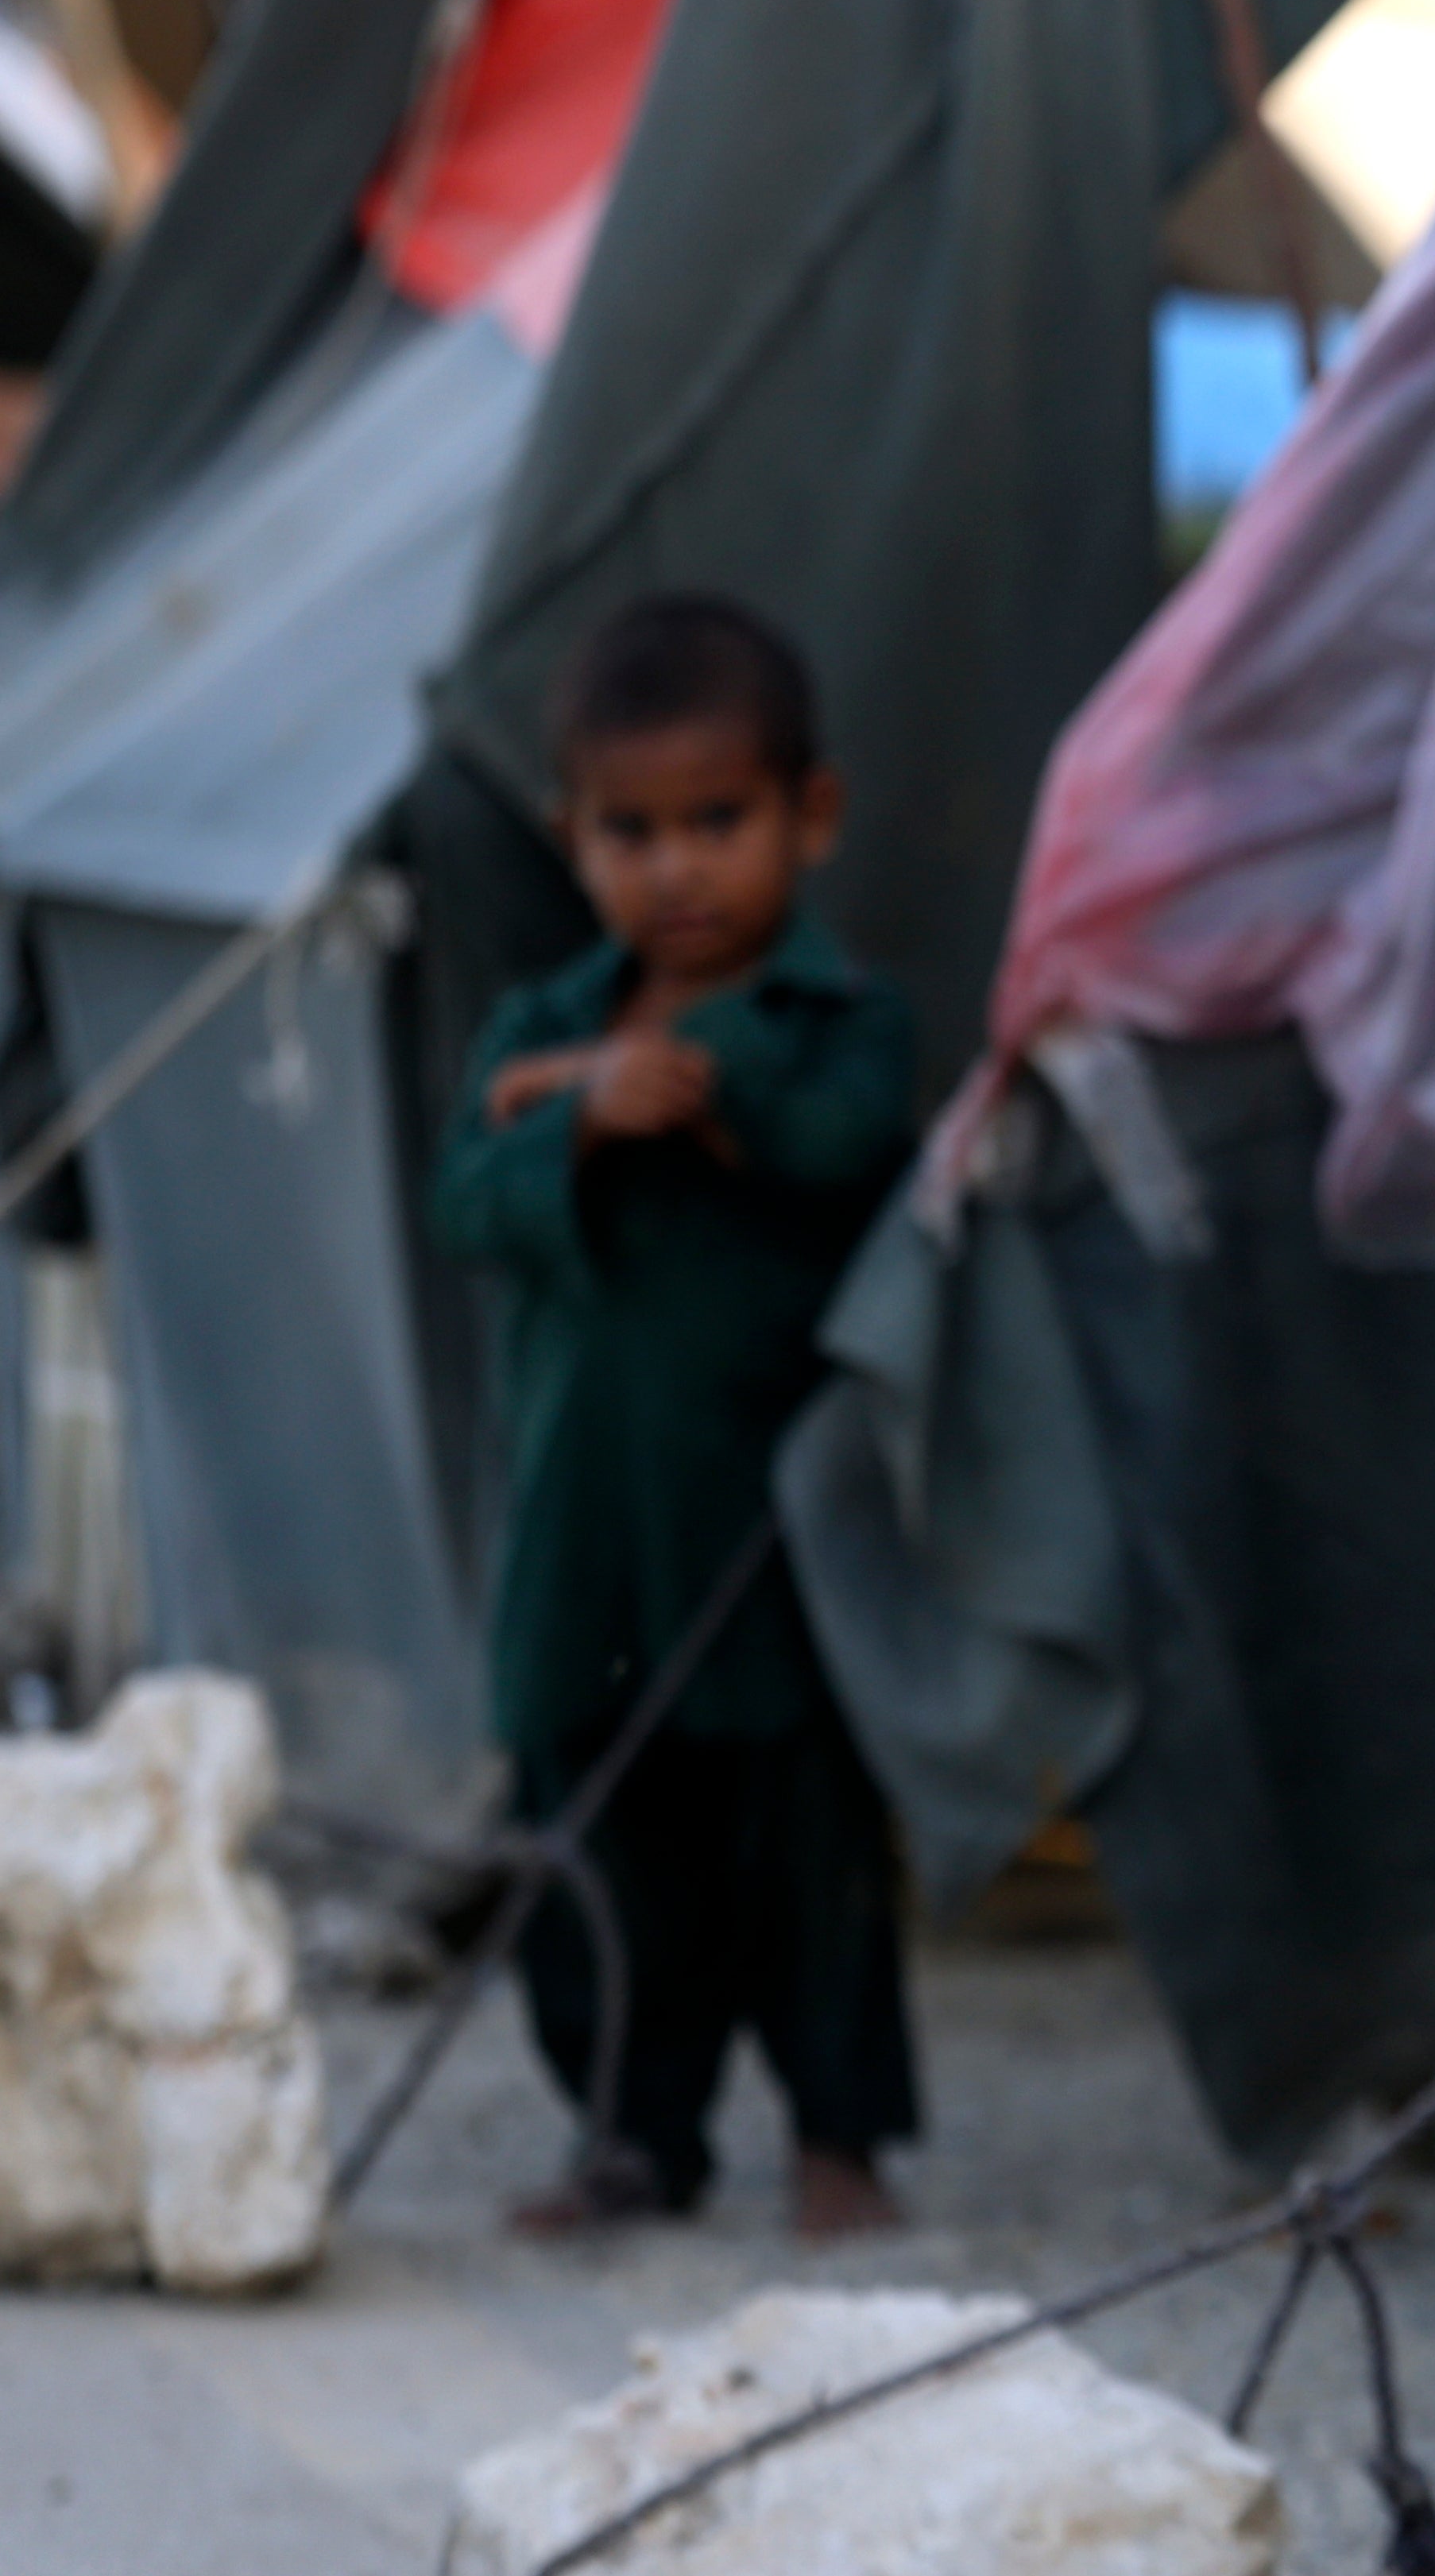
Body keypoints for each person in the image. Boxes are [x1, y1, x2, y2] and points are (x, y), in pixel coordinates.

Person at [427, 591, 921, 2240]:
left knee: (811, 1850)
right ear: (572, 841)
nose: (676, 869)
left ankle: (838, 2133)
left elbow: (847, 1144)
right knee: (600, 1853)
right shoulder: (543, 1028)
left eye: (719, 821)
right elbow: (466, 1199)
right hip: (588, 1537)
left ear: (811, 815)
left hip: (774, 1536)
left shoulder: (836, 1021)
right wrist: (568, 1111)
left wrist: (667, 1083)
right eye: (630, 832)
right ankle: (634, 2130)